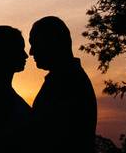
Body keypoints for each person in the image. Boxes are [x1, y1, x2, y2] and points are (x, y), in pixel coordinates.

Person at [29, 16, 97, 153]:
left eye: (35, 43)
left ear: (51, 42)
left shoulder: (68, 82)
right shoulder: (66, 78)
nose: (31, 52)